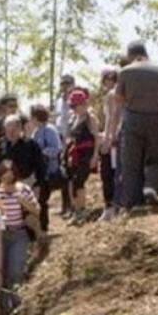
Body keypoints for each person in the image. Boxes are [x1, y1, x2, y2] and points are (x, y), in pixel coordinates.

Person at [108, 41, 158, 210]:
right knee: (154, 157)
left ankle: (132, 202)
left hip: (133, 118)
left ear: (130, 55)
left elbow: (119, 99)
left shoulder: (126, 71)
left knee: (131, 162)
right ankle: (150, 189)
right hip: (156, 117)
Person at [0, 158, 46, 314]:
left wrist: (25, 203)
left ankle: (18, 308)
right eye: (5, 177)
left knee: (16, 272)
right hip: (1, 234)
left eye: (10, 177)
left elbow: (37, 210)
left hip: (19, 234)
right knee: (1, 272)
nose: (8, 182)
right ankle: (3, 310)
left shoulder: (23, 190)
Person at [65, 89, 100, 218]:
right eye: (72, 106)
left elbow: (97, 137)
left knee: (79, 181)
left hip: (87, 153)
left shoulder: (90, 118)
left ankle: (83, 209)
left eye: (76, 105)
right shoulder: (73, 118)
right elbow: (71, 138)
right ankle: (76, 209)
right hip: (75, 155)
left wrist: (95, 156)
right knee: (71, 182)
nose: (74, 108)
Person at [29, 105, 64, 232]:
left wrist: (41, 152)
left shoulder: (49, 130)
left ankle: (44, 227)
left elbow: (56, 148)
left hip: (48, 170)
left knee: (42, 199)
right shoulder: (36, 131)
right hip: (38, 171)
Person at [96, 67, 122, 220]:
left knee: (109, 173)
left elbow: (112, 119)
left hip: (114, 139)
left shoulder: (112, 95)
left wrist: (107, 139)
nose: (108, 82)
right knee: (112, 173)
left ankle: (111, 206)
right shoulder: (116, 94)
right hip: (117, 137)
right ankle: (112, 205)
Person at [52, 74, 76, 216]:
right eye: (63, 83)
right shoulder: (59, 101)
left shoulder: (75, 100)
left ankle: (73, 205)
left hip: (72, 140)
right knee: (63, 174)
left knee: (71, 174)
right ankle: (65, 205)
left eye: (68, 83)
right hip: (60, 140)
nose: (65, 86)